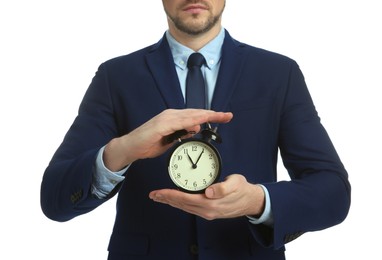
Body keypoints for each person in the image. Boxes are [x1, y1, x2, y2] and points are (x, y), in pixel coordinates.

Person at [40, 0, 351, 259]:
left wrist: (258, 200)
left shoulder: (279, 73)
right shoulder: (116, 76)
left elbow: (333, 190)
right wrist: (122, 149)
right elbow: (55, 198)